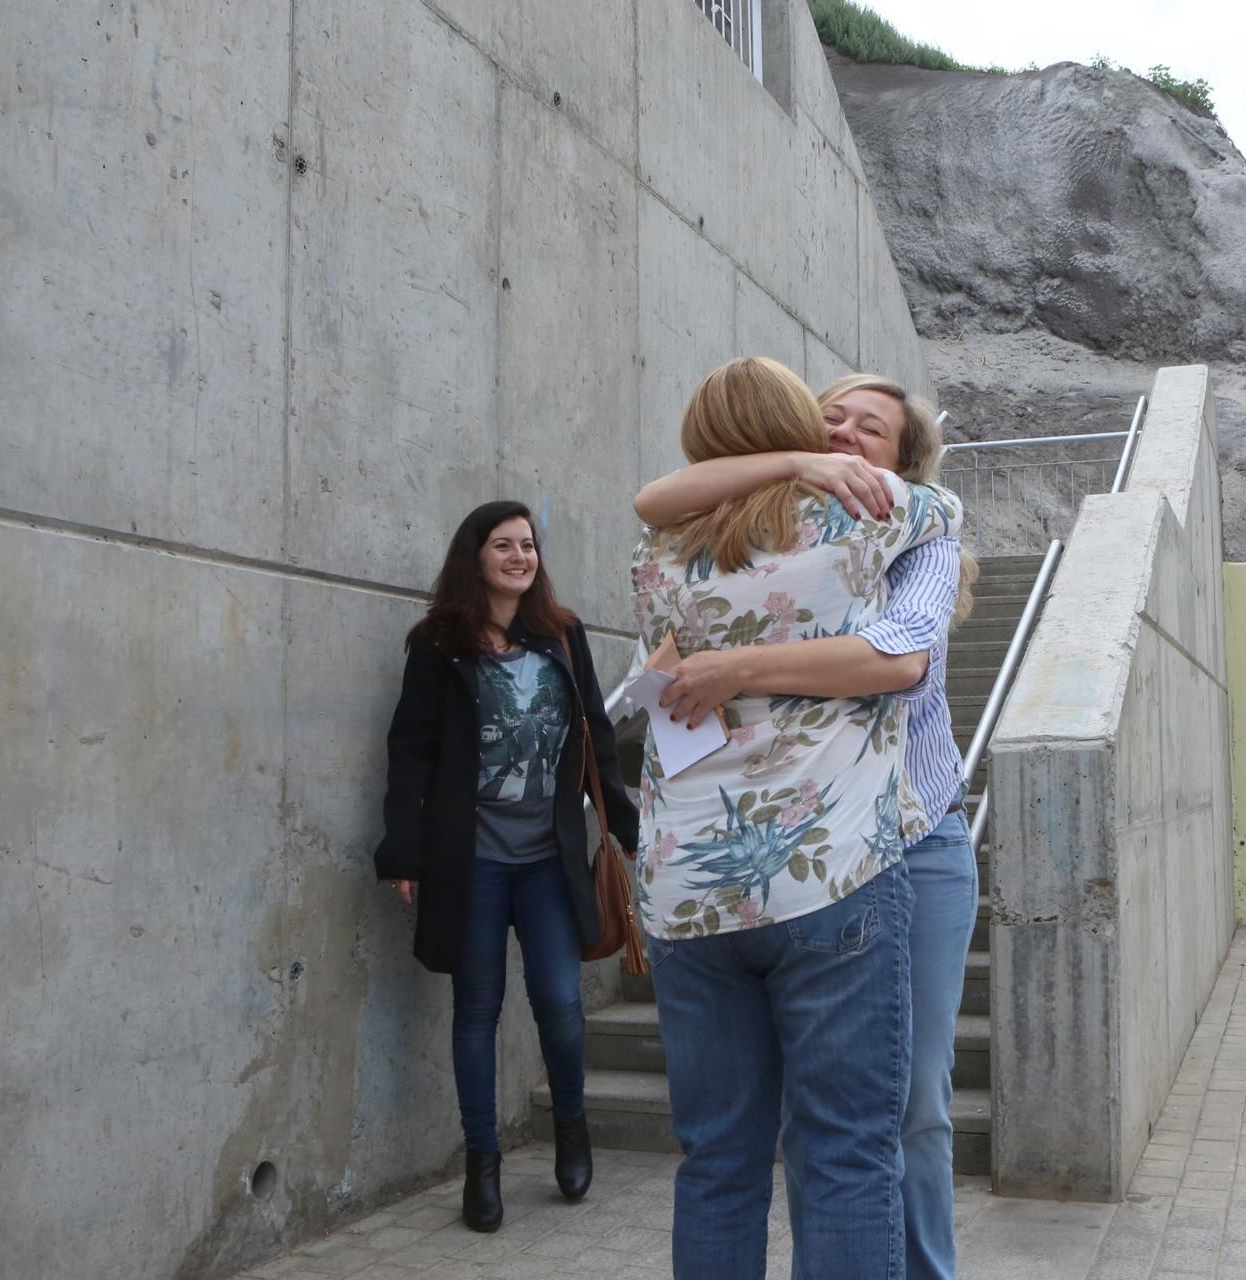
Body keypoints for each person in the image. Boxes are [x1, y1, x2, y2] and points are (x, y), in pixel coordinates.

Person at [635, 373, 977, 1280]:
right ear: (791, 429)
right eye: (831, 419)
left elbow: (903, 656)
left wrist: (730, 665)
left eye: (872, 429)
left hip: (745, 871)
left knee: (895, 1115)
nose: (847, 436)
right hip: (834, 866)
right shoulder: (865, 528)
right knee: (848, 1147)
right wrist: (797, 466)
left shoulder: (662, 550)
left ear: (900, 458)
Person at [374, 500, 638, 1233]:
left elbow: (595, 732)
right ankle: (481, 1166)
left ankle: (572, 1130)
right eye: (504, 545)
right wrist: (402, 848)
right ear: (476, 556)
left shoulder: (562, 634)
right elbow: (411, 751)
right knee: (476, 1012)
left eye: (528, 545)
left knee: (558, 999)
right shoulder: (439, 644)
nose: (520, 557)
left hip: (547, 860)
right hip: (474, 862)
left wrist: (622, 822)